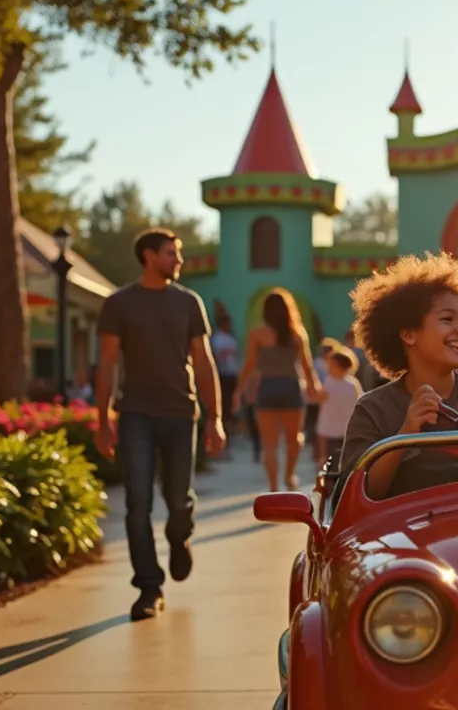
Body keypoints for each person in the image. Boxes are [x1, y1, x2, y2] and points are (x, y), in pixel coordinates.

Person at [93, 228, 225, 622]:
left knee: (178, 498)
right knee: (137, 502)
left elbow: (203, 362)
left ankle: (179, 536)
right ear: (149, 256)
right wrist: (102, 419)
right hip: (136, 413)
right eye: (172, 253)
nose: (178, 260)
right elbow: (108, 363)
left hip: (181, 413)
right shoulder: (119, 303)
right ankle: (149, 587)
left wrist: (216, 418)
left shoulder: (189, 303)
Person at [341, 253, 458, 499]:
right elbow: (358, 497)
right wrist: (405, 433)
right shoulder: (372, 409)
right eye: (447, 319)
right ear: (409, 335)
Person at [232, 289, 321, 493]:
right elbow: (307, 366)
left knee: (269, 444)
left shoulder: (257, 334)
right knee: (294, 438)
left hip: (267, 388)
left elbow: (250, 364)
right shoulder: (297, 334)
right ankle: (289, 475)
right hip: (291, 387)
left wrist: (238, 390)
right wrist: (314, 388)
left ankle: (273, 487)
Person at [210, 312, 257, 461]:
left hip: (231, 375)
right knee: (222, 408)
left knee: (231, 410)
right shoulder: (216, 339)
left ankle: (227, 443)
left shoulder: (231, 339)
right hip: (221, 376)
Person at [315, 347, 364, 470]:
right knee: (329, 464)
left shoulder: (353, 385)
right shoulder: (327, 384)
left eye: (332, 364)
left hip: (346, 432)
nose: (328, 367)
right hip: (329, 433)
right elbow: (320, 402)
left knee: (346, 463)